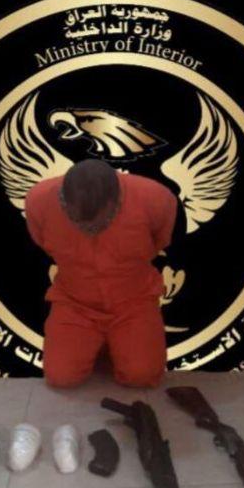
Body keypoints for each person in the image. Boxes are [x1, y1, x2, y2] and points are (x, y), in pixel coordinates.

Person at [25, 159, 177, 388]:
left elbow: (160, 241)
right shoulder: (38, 202)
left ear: (116, 201)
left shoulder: (156, 199)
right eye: (79, 222)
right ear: (64, 200)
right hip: (74, 303)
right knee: (60, 377)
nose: (89, 230)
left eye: (99, 223)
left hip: (134, 301)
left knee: (142, 375)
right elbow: (42, 242)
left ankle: (116, 347)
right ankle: (104, 347)